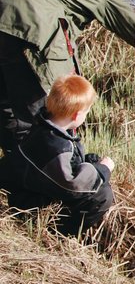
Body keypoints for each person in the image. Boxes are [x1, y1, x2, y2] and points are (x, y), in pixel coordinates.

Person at [0, 0, 135, 154]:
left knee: (5, 108)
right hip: (29, 26)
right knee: (48, 117)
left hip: (11, 19)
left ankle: (15, 173)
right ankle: (57, 178)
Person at [4, 74, 115, 235]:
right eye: (87, 110)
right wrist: (103, 169)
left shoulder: (43, 126)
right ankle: (59, 233)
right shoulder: (58, 147)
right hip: (28, 204)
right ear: (76, 115)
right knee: (102, 196)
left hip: (27, 190)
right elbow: (72, 185)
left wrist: (89, 161)